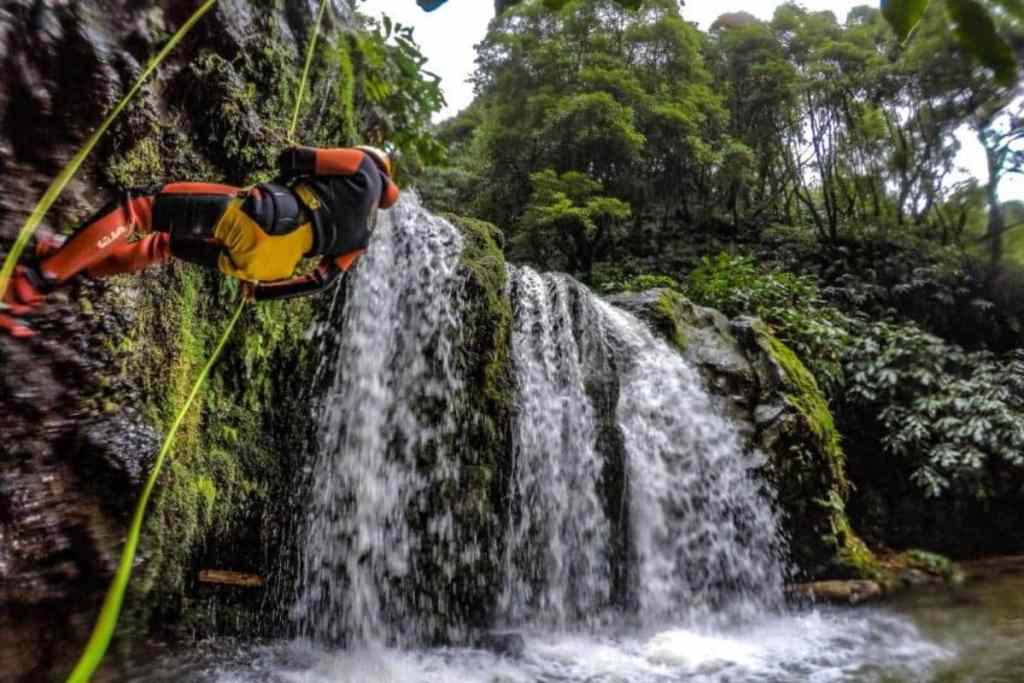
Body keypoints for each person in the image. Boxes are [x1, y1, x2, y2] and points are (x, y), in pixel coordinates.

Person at [0, 145, 399, 337]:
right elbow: (322, 280)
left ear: (372, 160)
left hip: (265, 219)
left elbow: (295, 158)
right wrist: (259, 294)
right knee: (164, 244)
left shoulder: (361, 164)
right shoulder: (363, 237)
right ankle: (77, 263)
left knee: (138, 209)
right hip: (268, 263)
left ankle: (35, 281)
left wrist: (292, 163)